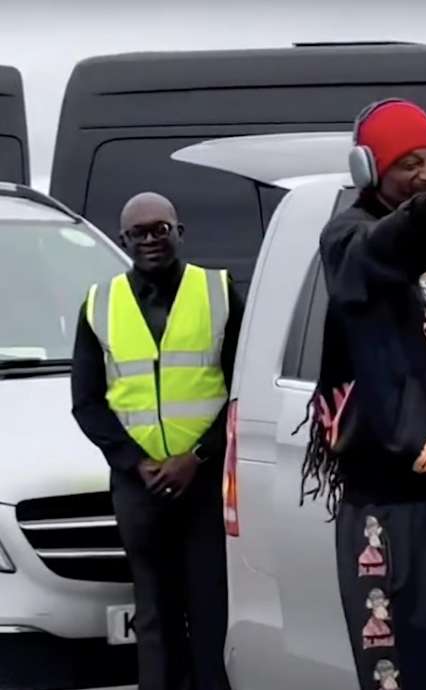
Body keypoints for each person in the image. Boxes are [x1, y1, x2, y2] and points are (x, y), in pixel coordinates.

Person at [299, 99, 426, 690]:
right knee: (402, 676)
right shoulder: (348, 238)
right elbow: (376, 259)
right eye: (410, 163)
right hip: (389, 509)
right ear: (368, 169)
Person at [71, 192, 241, 690]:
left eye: (159, 229)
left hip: (205, 483)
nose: (150, 240)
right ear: (124, 240)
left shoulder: (220, 291)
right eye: (139, 233)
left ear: (179, 231)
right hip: (139, 488)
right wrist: (136, 463)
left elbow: (241, 393)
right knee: (154, 618)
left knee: (211, 612)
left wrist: (198, 457)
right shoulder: (99, 304)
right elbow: (88, 403)